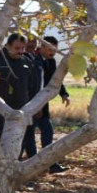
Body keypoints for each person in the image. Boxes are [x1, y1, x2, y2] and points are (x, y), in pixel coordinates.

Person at [33, 35, 71, 172]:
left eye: (55, 50)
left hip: (43, 103)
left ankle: (50, 164)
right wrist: (36, 105)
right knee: (28, 136)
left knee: (47, 131)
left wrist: (64, 94)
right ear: (41, 47)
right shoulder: (33, 59)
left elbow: (55, 80)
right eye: (50, 49)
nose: (52, 52)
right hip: (29, 103)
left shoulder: (51, 62)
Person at [0, 32, 37, 145]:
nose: (20, 51)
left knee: (19, 141)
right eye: (17, 48)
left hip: (21, 109)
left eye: (22, 48)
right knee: (0, 140)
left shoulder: (27, 61)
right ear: (8, 46)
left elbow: (33, 85)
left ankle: (14, 162)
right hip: (0, 110)